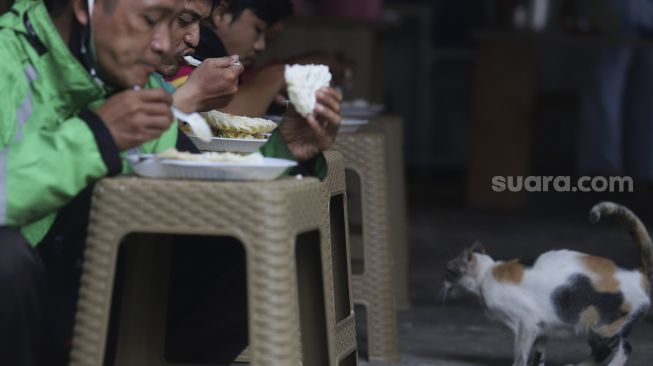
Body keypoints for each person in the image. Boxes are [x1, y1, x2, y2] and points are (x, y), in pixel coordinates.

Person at [0, 0, 342, 364]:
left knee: (236, 242)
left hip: (70, 284)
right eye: (151, 19)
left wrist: (286, 150)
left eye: (174, 21)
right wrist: (97, 136)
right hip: (27, 292)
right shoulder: (8, 58)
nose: (164, 42)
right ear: (84, 8)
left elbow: (180, 163)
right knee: (7, 260)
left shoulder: (121, 75)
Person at [578, 0, 653, 182]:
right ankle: (641, 171)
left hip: (616, 12)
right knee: (642, 96)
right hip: (640, 13)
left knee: (606, 90)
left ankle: (602, 171)